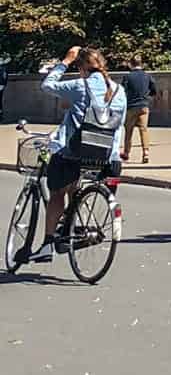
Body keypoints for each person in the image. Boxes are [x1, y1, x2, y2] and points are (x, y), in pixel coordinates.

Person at [32, 47, 127, 263]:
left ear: (82, 67)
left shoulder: (80, 85)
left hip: (74, 151)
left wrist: (65, 61)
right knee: (75, 186)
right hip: (105, 155)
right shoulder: (119, 90)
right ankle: (71, 226)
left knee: (56, 193)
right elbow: (118, 125)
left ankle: (48, 244)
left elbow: (47, 85)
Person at [121, 56, 156, 164]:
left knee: (128, 130)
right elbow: (153, 90)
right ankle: (146, 152)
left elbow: (123, 91)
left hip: (131, 106)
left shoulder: (128, 77)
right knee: (144, 130)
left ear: (131, 64)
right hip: (143, 106)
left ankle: (126, 153)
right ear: (141, 64)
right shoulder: (147, 76)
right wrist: (147, 97)